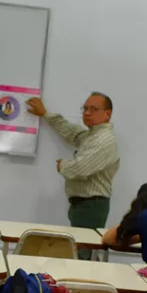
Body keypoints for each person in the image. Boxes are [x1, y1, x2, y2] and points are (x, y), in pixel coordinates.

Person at [26, 93, 120, 230]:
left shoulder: (102, 140)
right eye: (85, 108)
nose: (87, 113)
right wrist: (45, 114)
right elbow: (72, 132)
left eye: (93, 109)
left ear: (107, 114)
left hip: (90, 207)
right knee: (80, 243)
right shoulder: (92, 135)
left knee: (84, 244)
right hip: (85, 205)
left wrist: (62, 165)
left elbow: (80, 169)